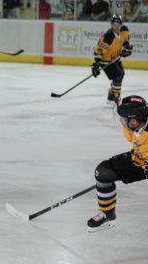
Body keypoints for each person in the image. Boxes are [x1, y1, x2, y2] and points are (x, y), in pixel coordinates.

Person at [87, 95, 148, 232]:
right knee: (103, 172)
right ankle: (107, 213)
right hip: (140, 160)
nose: (120, 120)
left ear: (134, 120)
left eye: (123, 118)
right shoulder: (134, 127)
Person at [91, 15, 133, 105]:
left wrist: (127, 47)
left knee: (121, 74)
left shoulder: (124, 31)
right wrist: (95, 65)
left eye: (118, 24)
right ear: (111, 25)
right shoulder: (108, 38)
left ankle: (111, 95)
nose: (116, 26)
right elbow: (98, 53)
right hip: (105, 60)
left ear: (121, 24)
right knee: (117, 76)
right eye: (114, 24)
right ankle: (115, 96)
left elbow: (124, 40)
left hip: (115, 58)